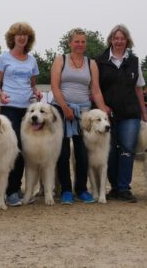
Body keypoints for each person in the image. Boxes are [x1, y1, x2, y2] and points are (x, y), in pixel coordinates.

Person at [50, 28, 109, 205]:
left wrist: (103, 111)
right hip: (61, 109)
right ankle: (66, 190)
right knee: (63, 153)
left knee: (83, 153)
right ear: (70, 43)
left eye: (83, 41)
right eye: (77, 41)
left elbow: (96, 90)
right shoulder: (61, 59)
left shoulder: (91, 63)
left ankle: (82, 189)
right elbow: (54, 86)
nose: (80, 45)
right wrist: (65, 107)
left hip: (84, 112)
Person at [0, 22, 42, 207]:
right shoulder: (3, 57)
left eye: (25, 35)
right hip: (10, 106)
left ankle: (16, 188)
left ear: (29, 39)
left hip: (28, 109)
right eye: (18, 34)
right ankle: (10, 191)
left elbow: (33, 83)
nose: (21, 37)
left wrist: (37, 92)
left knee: (25, 148)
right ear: (12, 38)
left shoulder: (32, 60)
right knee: (14, 147)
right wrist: (0, 95)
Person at [97, 24, 147, 203]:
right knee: (110, 151)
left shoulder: (134, 61)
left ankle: (124, 188)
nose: (119, 41)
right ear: (111, 40)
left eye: (122, 38)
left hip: (130, 113)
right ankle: (114, 187)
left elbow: (139, 89)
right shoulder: (99, 61)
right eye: (116, 38)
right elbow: (95, 88)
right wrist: (102, 106)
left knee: (127, 149)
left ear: (127, 41)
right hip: (107, 114)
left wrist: (143, 113)